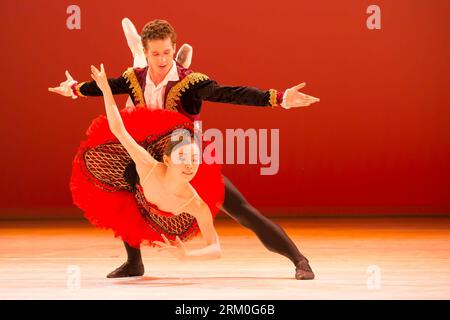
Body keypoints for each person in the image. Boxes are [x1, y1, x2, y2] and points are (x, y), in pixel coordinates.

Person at [50, 19, 318, 280]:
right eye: (155, 54)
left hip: (184, 157)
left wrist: (280, 98)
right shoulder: (135, 78)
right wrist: (74, 89)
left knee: (242, 210)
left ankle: (299, 259)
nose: (162, 59)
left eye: (167, 52)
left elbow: (230, 93)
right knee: (126, 185)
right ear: (145, 53)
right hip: (154, 157)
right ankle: (134, 262)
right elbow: (104, 85)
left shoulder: (192, 83)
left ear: (173, 49)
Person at [71, 63, 226, 277]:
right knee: (123, 183)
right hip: (140, 188)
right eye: (182, 157)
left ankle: (180, 63)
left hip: (165, 216)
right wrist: (106, 89)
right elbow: (118, 130)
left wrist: (187, 256)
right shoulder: (148, 166)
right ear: (167, 159)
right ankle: (133, 262)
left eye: (195, 159)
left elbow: (216, 248)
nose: (190, 165)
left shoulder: (197, 204)